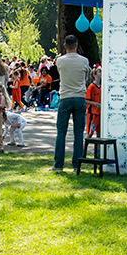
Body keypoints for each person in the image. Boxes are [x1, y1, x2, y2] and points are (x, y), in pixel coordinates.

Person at [51, 34, 90, 172]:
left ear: (64, 45)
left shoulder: (60, 61)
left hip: (65, 96)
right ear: (77, 45)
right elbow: (86, 77)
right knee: (78, 133)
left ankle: (58, 164)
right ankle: (76, 164)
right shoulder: (84, 61)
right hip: (79, 97)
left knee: (61, 132)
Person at [86, 66, 102, 137]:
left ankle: (98, 148)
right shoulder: (91, 87)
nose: (101, 73)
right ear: (94, 74)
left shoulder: (101, 87)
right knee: (90, 133)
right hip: (93, 113)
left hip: (100, 113)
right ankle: (84, 148)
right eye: (99, 71)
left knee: (99, 134)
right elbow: (86, 100)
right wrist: (95, 104)